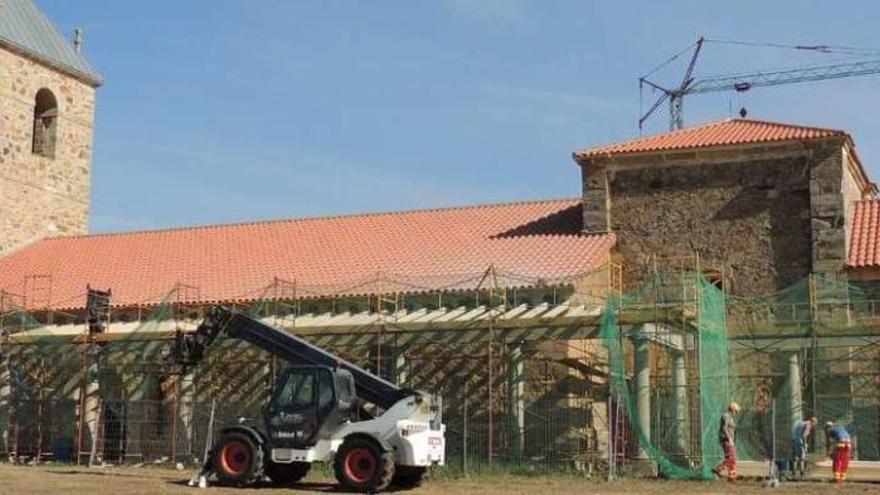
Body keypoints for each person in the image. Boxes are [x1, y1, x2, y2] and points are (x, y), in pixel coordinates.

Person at [713, 402, 741, 483]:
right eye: (736, 411)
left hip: (730, 440)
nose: (736, 413)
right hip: (726, 440)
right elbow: (724, 428)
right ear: (732, 409)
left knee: (732, 458)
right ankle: (718, 470)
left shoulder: (730, 417)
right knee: (731, 458)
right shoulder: (726, 416)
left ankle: (731, 476)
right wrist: (729, 439)